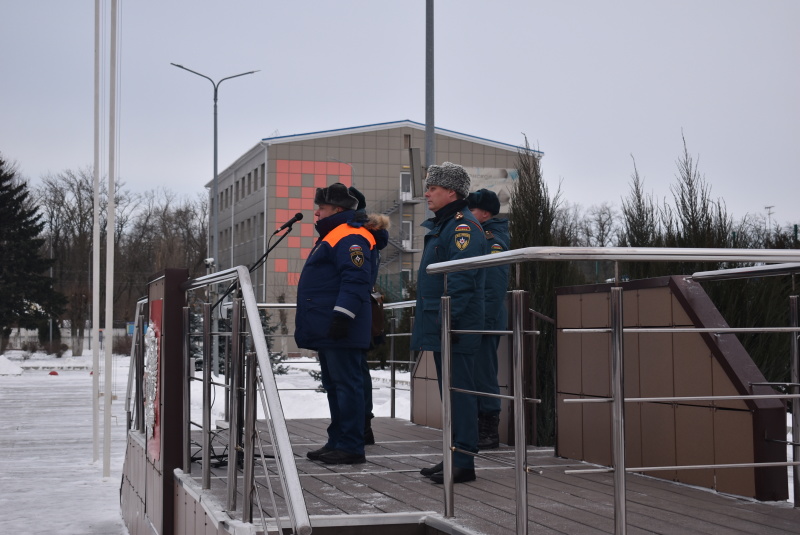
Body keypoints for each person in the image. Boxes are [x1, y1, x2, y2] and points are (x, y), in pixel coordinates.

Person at [411, 162, 487, 484]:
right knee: (451, 393)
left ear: (451, 192)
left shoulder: (462, 227)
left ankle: (464, 462)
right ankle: (454, 455)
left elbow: (460, 279)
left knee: (460, 393)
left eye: (433, 188)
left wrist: (448, 322)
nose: (426, 193)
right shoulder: (445, 225)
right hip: (445, 323)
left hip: (454, 326)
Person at [295, 183, 376, 465]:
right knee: (334, 385)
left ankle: (352, 445)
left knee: (346, 385)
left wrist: (343, 315)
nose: (317, 213)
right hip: (329, 326)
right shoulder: (334, 235)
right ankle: (337, 440)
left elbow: (355, 278)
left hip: (342, 325)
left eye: (322, 208)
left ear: (338, 210)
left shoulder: (350, 236)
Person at [467, 188, 509, 450]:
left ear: (484, 213)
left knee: (484, 374)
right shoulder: (481, 234)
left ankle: (489, 430)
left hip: (486, 317)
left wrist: (485, 321)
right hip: (479, 316)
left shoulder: (493, 239)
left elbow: (494, 285)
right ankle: (477, 426)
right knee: (475, 373)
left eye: (470, 211)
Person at [348, 186, 390, 445]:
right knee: (357, 370)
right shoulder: (366, 234)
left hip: (354, 308)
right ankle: (362, 425)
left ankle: (361, 426)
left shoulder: (358, 235)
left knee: (354, 372)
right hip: (361, 306)